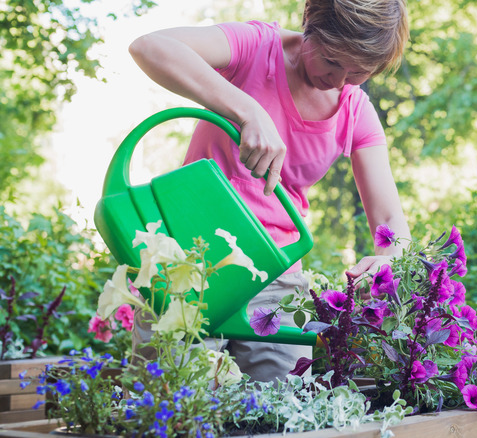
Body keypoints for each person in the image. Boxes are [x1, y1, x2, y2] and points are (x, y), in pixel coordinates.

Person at [127, 0, 411, 382]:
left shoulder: (355, 111)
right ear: (311, 24)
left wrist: (388, 259)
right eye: (331, 60)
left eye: (359, 72)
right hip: (188, 257)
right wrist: (248, 111)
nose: (340, 80)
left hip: (274, 274)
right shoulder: (256, 46)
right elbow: (150, 47)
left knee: (283, 409)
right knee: (170, 399)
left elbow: (392, 224)